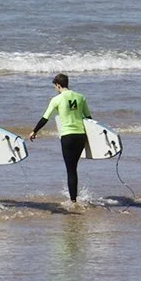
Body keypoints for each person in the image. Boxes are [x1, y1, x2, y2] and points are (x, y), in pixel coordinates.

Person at [30, 72, 91, 202]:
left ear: (58, 85)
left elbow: (45, 118)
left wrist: (34, 131)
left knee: (70, 169)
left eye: (55, 86)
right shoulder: (81, 97)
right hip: (81, 136)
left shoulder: (57, 99)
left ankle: (73, 200)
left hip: (67, 136)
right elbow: (89, 118)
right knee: (74, 167)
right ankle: (75, 197)